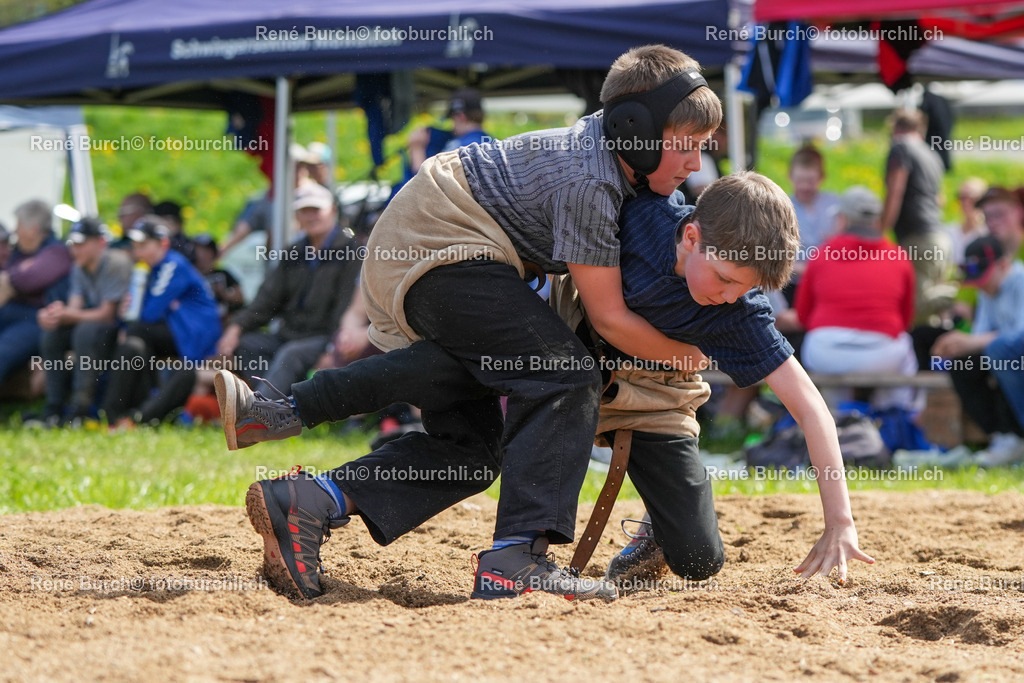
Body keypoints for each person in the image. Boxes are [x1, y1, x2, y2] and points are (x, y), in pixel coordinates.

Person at [215, 45, 720, 601]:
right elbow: (609, 316)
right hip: (438, 245)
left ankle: (309, 497)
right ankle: (517, 557)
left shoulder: (612, 159)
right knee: (563, 376)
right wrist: (688, 357)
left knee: (473, 448)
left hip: (437, 250)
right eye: (688, 145)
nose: (696, 163)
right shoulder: (590, 180)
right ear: (635, 127)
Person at [577, 174, 872, 587]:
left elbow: (811, 409)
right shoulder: (640, 213)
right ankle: (521, 549)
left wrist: (840, 522)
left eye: (746, 288)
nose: (731, 296)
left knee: (698, 560)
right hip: (578, 367)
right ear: (693, 237)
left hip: (659, 396)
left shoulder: (739, 311)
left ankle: (657, 530)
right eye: (727, 279)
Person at [216, 183, 361, 395]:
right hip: (290, 334)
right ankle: (279, 406)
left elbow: (347, 306)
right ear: (297, 216)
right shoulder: (294, 252)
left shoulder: (352, 251)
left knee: (291, 353)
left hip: (325, 336)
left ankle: (262, 412)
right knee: (247, 344)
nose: (311, 216)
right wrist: (237, 327)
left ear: (333, 210)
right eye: (304, 210)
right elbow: (268, 299)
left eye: (316, 209)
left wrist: (333, 346)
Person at [793, 187, 919, 413]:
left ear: (842, 219)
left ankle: (833, 421)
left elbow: (803, 314)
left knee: (822, 359)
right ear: (877, 222)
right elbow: (907, 318)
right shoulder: (898, 257)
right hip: (882, 355)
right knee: (905, 348)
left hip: (826, 352)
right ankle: (896, 419)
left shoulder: (822, 254)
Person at [101, 217, 221, 427]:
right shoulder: (146, 269)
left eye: (144, 245)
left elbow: (149, 313)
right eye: (135, 245)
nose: (137, 251)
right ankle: (117, 416)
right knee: (133, 347)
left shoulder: (172, 265)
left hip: (193, 335)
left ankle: (125, 415)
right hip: (173, 331)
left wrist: (128, 320)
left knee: (136, 333)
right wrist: (125, 316)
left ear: (163, 244)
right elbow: (133, 315)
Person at [932, 236, 1024, 466]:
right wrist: (956, 343)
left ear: (1003, 265)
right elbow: (980, 336)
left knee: (999, 352)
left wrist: (973, 342)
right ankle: (1004, 436)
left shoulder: (1020, 280)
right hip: (1002, 357)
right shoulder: (987, 291)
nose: (980, 285)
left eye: (984, 277)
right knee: (963, 363)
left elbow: (1019, 336)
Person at [35, 218, 131, 425]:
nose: (74, 249)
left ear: (100, 242)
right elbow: (74, 309)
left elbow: (108, 314)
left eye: (81, 244)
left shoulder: (117, 263)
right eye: (72, 244)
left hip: (123, 331)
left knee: (84, 332)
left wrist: (68, 315)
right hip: (94, 326)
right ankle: (55, 407)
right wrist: (54, 315)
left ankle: (81, 408)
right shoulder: (79, 266)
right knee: (53, 336)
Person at [880, 109, 953, 325]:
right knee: (929, 315)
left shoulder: (901, 148)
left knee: (916, 307)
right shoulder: (931, 153)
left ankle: (960, 296)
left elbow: (896, 191)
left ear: (895, 127)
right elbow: (939, 198)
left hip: (918, 238)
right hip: (938, 236)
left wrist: (882, 230)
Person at [0, 199, 72, 386]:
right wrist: (18, 271)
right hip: (9, 314)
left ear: (33, 228)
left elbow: (28, 280)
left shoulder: (56, 251)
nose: (15, 231)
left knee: (3, 352)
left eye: (19, 225)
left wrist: (10, 279)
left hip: (36, 319)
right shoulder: (20, 252)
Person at [390, 88, 490, 200]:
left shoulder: (460, 145)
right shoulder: (490, 142)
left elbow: (427, 186)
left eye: (452, 119)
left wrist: (417, 149)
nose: (452, 126)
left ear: (460, 116)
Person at [787, 145, 840, 291]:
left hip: (828, 280)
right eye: (800, 180)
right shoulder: (783, 207)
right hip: (793, 284)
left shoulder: (834, 205)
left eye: (810, 181)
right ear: (790, 176)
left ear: (821, 177)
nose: (805, 186)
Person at [944, 178, 988, 267]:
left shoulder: (989, 234)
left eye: (973, 198)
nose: (966, 203)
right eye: (962, 198)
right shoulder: (947, 232)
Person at [976, 186, 1024, 259]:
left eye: (999, 214)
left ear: (1018, 212)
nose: (992, 222)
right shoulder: (988, 257)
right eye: (987, 216)